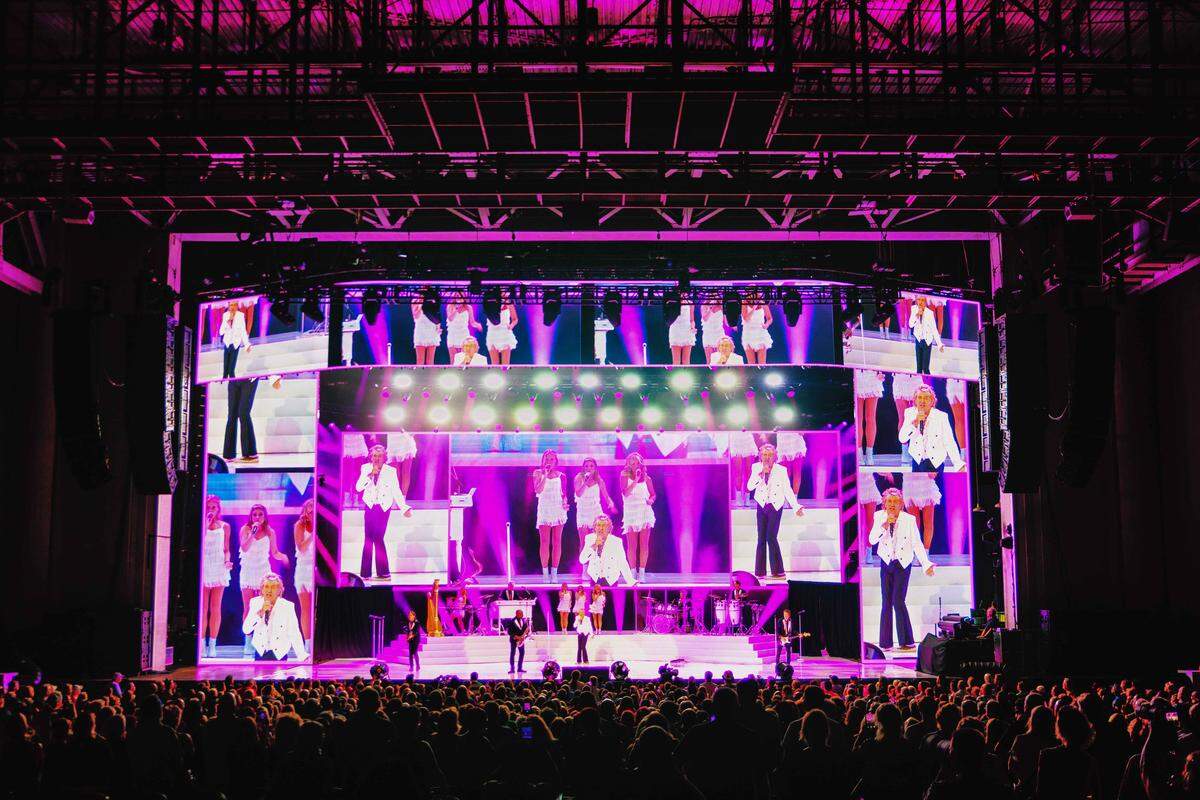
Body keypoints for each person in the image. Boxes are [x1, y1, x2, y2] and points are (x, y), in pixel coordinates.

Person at [869, 488, 934, 650]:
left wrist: (926, 563)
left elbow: (917, 544)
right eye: (889, 502)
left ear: (901, 504)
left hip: (903, 563)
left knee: (898, 600)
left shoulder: (909, 520)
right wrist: (884, 526)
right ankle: (885, 642)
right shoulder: (879, 517)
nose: (892, 505)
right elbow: (871, 539)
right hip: (886, 561)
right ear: (884, 503)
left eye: (895, 502)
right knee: (886, 601)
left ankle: (906, 641)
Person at [747, 443, 805, 579]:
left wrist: (796, 506)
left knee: (771, 537)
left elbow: (788, 490)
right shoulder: (755, 467)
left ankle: (778, 571)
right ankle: (760, 572)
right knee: (761, 538)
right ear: (761, 456)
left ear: (774, 457)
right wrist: (760, 475)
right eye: (765, 455)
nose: (767, 458)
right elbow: (749, 487)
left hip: (775, 506)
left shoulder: (781, 470)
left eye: (770, 455)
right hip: (761, 505)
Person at [355, 444, 412, 581]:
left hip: (383, 508)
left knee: (378, 537)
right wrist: (369, 475)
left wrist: (404, 507)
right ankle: (365, 573)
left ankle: (383, 572)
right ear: (371, 457)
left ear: (384, 457)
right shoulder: (365, 468)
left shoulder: (390, 471)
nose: (377, 459)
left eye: (380, 456)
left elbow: (396, 491)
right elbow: (358, 488)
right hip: (369, 506)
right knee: (368, 538)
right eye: (374, 456)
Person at [239, 504, 289, 656]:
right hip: (248, 570)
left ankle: (262, 640)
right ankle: (248, 641)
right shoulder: (246, 529)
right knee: (248, 607)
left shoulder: (270, 531)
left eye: (260, 514)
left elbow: (274, 552)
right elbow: (244, 548)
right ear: (251, 516)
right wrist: (252, 535)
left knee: (264, 606)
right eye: (255, 515)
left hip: (262, 570)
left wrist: (284, 558)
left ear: (265, 516)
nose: (257, 517)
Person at [1034, 705, 1101, 800]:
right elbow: (1097, 795)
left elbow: (1041, 792)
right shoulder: (1089, 760)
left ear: (1060, 728)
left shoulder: (1047, 755)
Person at [899, 385, 965, 473]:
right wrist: (915, 423)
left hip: (935, 462)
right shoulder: (910, 413)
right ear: (915, 400)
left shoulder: (941, 416)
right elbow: (902, 438)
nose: (922, 401)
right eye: (920, 397)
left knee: (935, 487)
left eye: (926, 398)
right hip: (917, 461)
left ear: (932, 401)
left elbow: (949, 442)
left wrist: (958, 463)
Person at [241, 573, 307, 661]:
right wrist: (260, 613)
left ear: (280, 590)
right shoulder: (255, 603)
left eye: (273, 587)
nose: (269, 590)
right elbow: (246, 629)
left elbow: (294, 633)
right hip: (260, 653)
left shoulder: (287, 606)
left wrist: (301, 655)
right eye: (267, 586)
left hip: (279, 655)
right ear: (262, 589)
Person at [201, 494, 232, 658]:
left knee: (215, 608)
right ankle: (201, 644)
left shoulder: (225, 526)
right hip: (205, 565)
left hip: (219, 565)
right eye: (209, 507)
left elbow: (226, 549)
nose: (211, 510)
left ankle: (212, 644)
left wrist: (228, 561)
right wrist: (206, 523)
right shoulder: (202, 525)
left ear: (218, 508)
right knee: (203, 608)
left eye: (214, 507)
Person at [533, 449, 569, 582]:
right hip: (544, 509)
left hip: (558, 508)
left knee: (557, 541)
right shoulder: (537, 473)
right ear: (543, 461)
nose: (549, 462)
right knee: (544, 542)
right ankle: (545, 573)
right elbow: (538, 490)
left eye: (551, 459)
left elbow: (564, 494)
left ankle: (554, 573)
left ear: (556, 462)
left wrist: (565, 503)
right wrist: (545, 475)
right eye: (546, 459)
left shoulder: (561, 476)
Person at [620, 453, 656, 582]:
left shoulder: (647, 478)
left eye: (636, 462)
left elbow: (653, 495)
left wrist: (651, 501)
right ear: (628, 464)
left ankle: (641, 572)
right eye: (631, 462)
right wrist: (635, 479)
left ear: (641, 464)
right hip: (631, 513)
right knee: (632, 545)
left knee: (644, 544)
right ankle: (632, 572)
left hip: (644, 512)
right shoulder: (624, 476)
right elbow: (625, 493)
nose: (634, 465)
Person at [574, 456, 617, 561]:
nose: (589, 468)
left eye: (591, 466)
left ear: (595, 468)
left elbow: (606, 496)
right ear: (583, 467)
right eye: (586, 466)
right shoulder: (579, 478)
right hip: (583, 512)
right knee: (583, 541)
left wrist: (611, 504)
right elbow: (578, 494)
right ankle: (585, 567)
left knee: (598, 540)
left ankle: (596, 565)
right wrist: (585, 482)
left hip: (595, 511)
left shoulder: (599, 480)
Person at [579, 514, 636, 586]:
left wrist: (630, 580)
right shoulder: (589, 539)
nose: (601, 528)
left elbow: (622, 563)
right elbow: (582, 560)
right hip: (595, 580)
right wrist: (594, 546)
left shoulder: (616, 541)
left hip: (611, 581)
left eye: (604, 525)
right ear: (594, 527)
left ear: (609, 528)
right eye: (598, 525)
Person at [293, 497, 315, 655]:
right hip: (303, 568)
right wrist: (314, 532)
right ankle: (307, 644)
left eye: (314, 506)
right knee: (306, 609)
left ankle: (317, 641)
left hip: (318, 569)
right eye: (309, 507)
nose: (312, 509)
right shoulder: (300, 525)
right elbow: (301, 548)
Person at [902, 471, 942, 550]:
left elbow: (936, 461)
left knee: (928, 523)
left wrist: (935, 470)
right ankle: (917, 553)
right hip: (909, 483)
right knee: (914, 524)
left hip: (926, 482)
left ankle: (926, 553)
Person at [855, 369, 886, 465]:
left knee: (870, 418)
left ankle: (869, 454)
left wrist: (881, 372)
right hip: (857, 375)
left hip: (872, 376)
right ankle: (859, 454)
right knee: (858, 418)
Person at [909, 296, 945, 374]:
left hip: (927, 341)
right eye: (919, 300)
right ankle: (919, 383)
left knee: (925, 368)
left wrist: (939, 344)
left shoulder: (929, 313)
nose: (921, 302)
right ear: (916, 301)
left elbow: (934, 329)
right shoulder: (914, 309)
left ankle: (928, 383)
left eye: (923, 300)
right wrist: (917, 315)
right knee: (918, 368)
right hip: (918, 340)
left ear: (925, 302)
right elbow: (911, 325)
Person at [218, 299, 252, 378]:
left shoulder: (240, 315)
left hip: (235, 344)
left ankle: (234, 385)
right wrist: (227, 322)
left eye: (234, 305)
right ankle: (224, 383)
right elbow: (221, 332)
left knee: (231, 370)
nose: (232, 307)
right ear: (228, 306)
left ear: (237, 306)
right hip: (227, 343)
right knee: (225, 370)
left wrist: (247, 344)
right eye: (231, 305)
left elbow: (243, 331)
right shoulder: (225, 315)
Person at [446, 295, 483, 365]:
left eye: (460, 295)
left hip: (463, 334)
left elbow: (472, 322)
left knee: (465, 358)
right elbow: (450, 319)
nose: (459, 297)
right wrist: (456, 309)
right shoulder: (450, 306)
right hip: (453, 334)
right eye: (457, 295)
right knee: (453, 359)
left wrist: (479, 326)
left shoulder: (468, 307)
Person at [486, 292, 519, 365]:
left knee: (505, 365)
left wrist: (511, 326)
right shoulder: (490, 301)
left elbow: (515, 319)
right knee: (495, 365)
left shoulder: (508, 302)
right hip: (492, 333)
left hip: (505, 333)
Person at [741, 291, 773, 364]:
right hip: (748, 333)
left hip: (760, 332)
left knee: (762, 362)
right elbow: (746, 318)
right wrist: (754, 307)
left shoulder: (762, 303)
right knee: (751, 362)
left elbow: (770, 318)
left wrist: (766, 325)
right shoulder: (744, 303)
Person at [412, 298, 442, 365]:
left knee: (430, 361)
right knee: (420, 361)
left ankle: (431, 375)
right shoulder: (415, 301)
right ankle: (419, 375)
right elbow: (416, 316)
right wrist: (421, 305)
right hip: (420, 332)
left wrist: (438, 327)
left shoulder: (432, 300)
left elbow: (437, 315)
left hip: (432, 330)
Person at [777, 431, 807, 496]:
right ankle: (786, 498)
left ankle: (794, 499)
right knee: (785, 473)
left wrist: (802, 429)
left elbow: (803, 430)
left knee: (797, 471)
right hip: (783, 439)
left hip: (796, 440)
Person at [668, 299, 697, 365]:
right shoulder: (672, 302)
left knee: (686, 361)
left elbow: (692, 320)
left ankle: (686, 375)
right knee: (676, 361)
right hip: (676, 330)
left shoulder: (690, 303)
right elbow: (668, 317)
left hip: (687, 330)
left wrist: (693, 327)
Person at [506, 609, 531, 673]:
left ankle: (519, 668)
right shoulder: (512, 621)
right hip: (514, 640)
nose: (522, 615)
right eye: (520, 614)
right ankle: (512, 669)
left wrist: (526, 633)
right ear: (516, 614)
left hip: (521, 641)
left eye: (522, 614)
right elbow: (509, 632)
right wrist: (516, 637)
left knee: (522, 653)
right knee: (512, 654)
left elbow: (525, 629)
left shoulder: (523, 621)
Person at [402, 609, 422, 673]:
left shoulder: (417, 623)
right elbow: (408, 631)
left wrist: (411, 636)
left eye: (411, 615)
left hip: (416, 639)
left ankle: (418, 666)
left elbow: (416, 632)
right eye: (409, 615)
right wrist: (407, 635)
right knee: (410, 653)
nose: (409, 616)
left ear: (414, 616)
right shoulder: (408, 623)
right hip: (410, 640)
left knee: (415, 652)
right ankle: (411, 666)